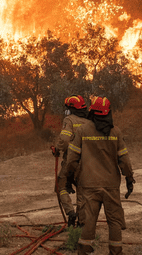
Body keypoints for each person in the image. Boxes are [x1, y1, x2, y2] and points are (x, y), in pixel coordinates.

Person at [64, 96, 135, 255]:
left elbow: (72, 159)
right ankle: (116, 251)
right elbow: (124, 160)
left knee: (88, 221)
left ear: (91, 112)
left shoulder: (82, 131)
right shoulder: (116, 131)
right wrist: (129, 179)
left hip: (88, 185)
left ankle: (84, 251)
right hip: (111, 185)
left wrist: (69, 178)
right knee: (115, 221)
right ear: (108, 112)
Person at [52, 95, 91, 227]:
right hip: (87, 163)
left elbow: (64, 139)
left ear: (71, 109)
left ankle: (70, 212)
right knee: (81, 191)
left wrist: (57, 149)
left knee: (61, 186)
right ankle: (81, 221)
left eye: (67, 108)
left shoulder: (69, 120)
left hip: (71, 162)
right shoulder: (90, 121)